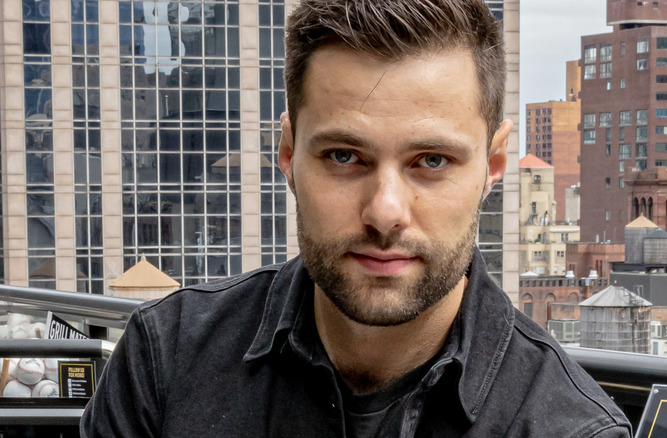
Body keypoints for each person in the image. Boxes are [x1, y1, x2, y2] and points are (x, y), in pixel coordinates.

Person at [81, 0, 632, 436]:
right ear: (288, 155)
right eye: (344, 156)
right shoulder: (166, 358)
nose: (385, 212)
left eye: (431, 161)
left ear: (492, 165)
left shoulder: (568, 427)